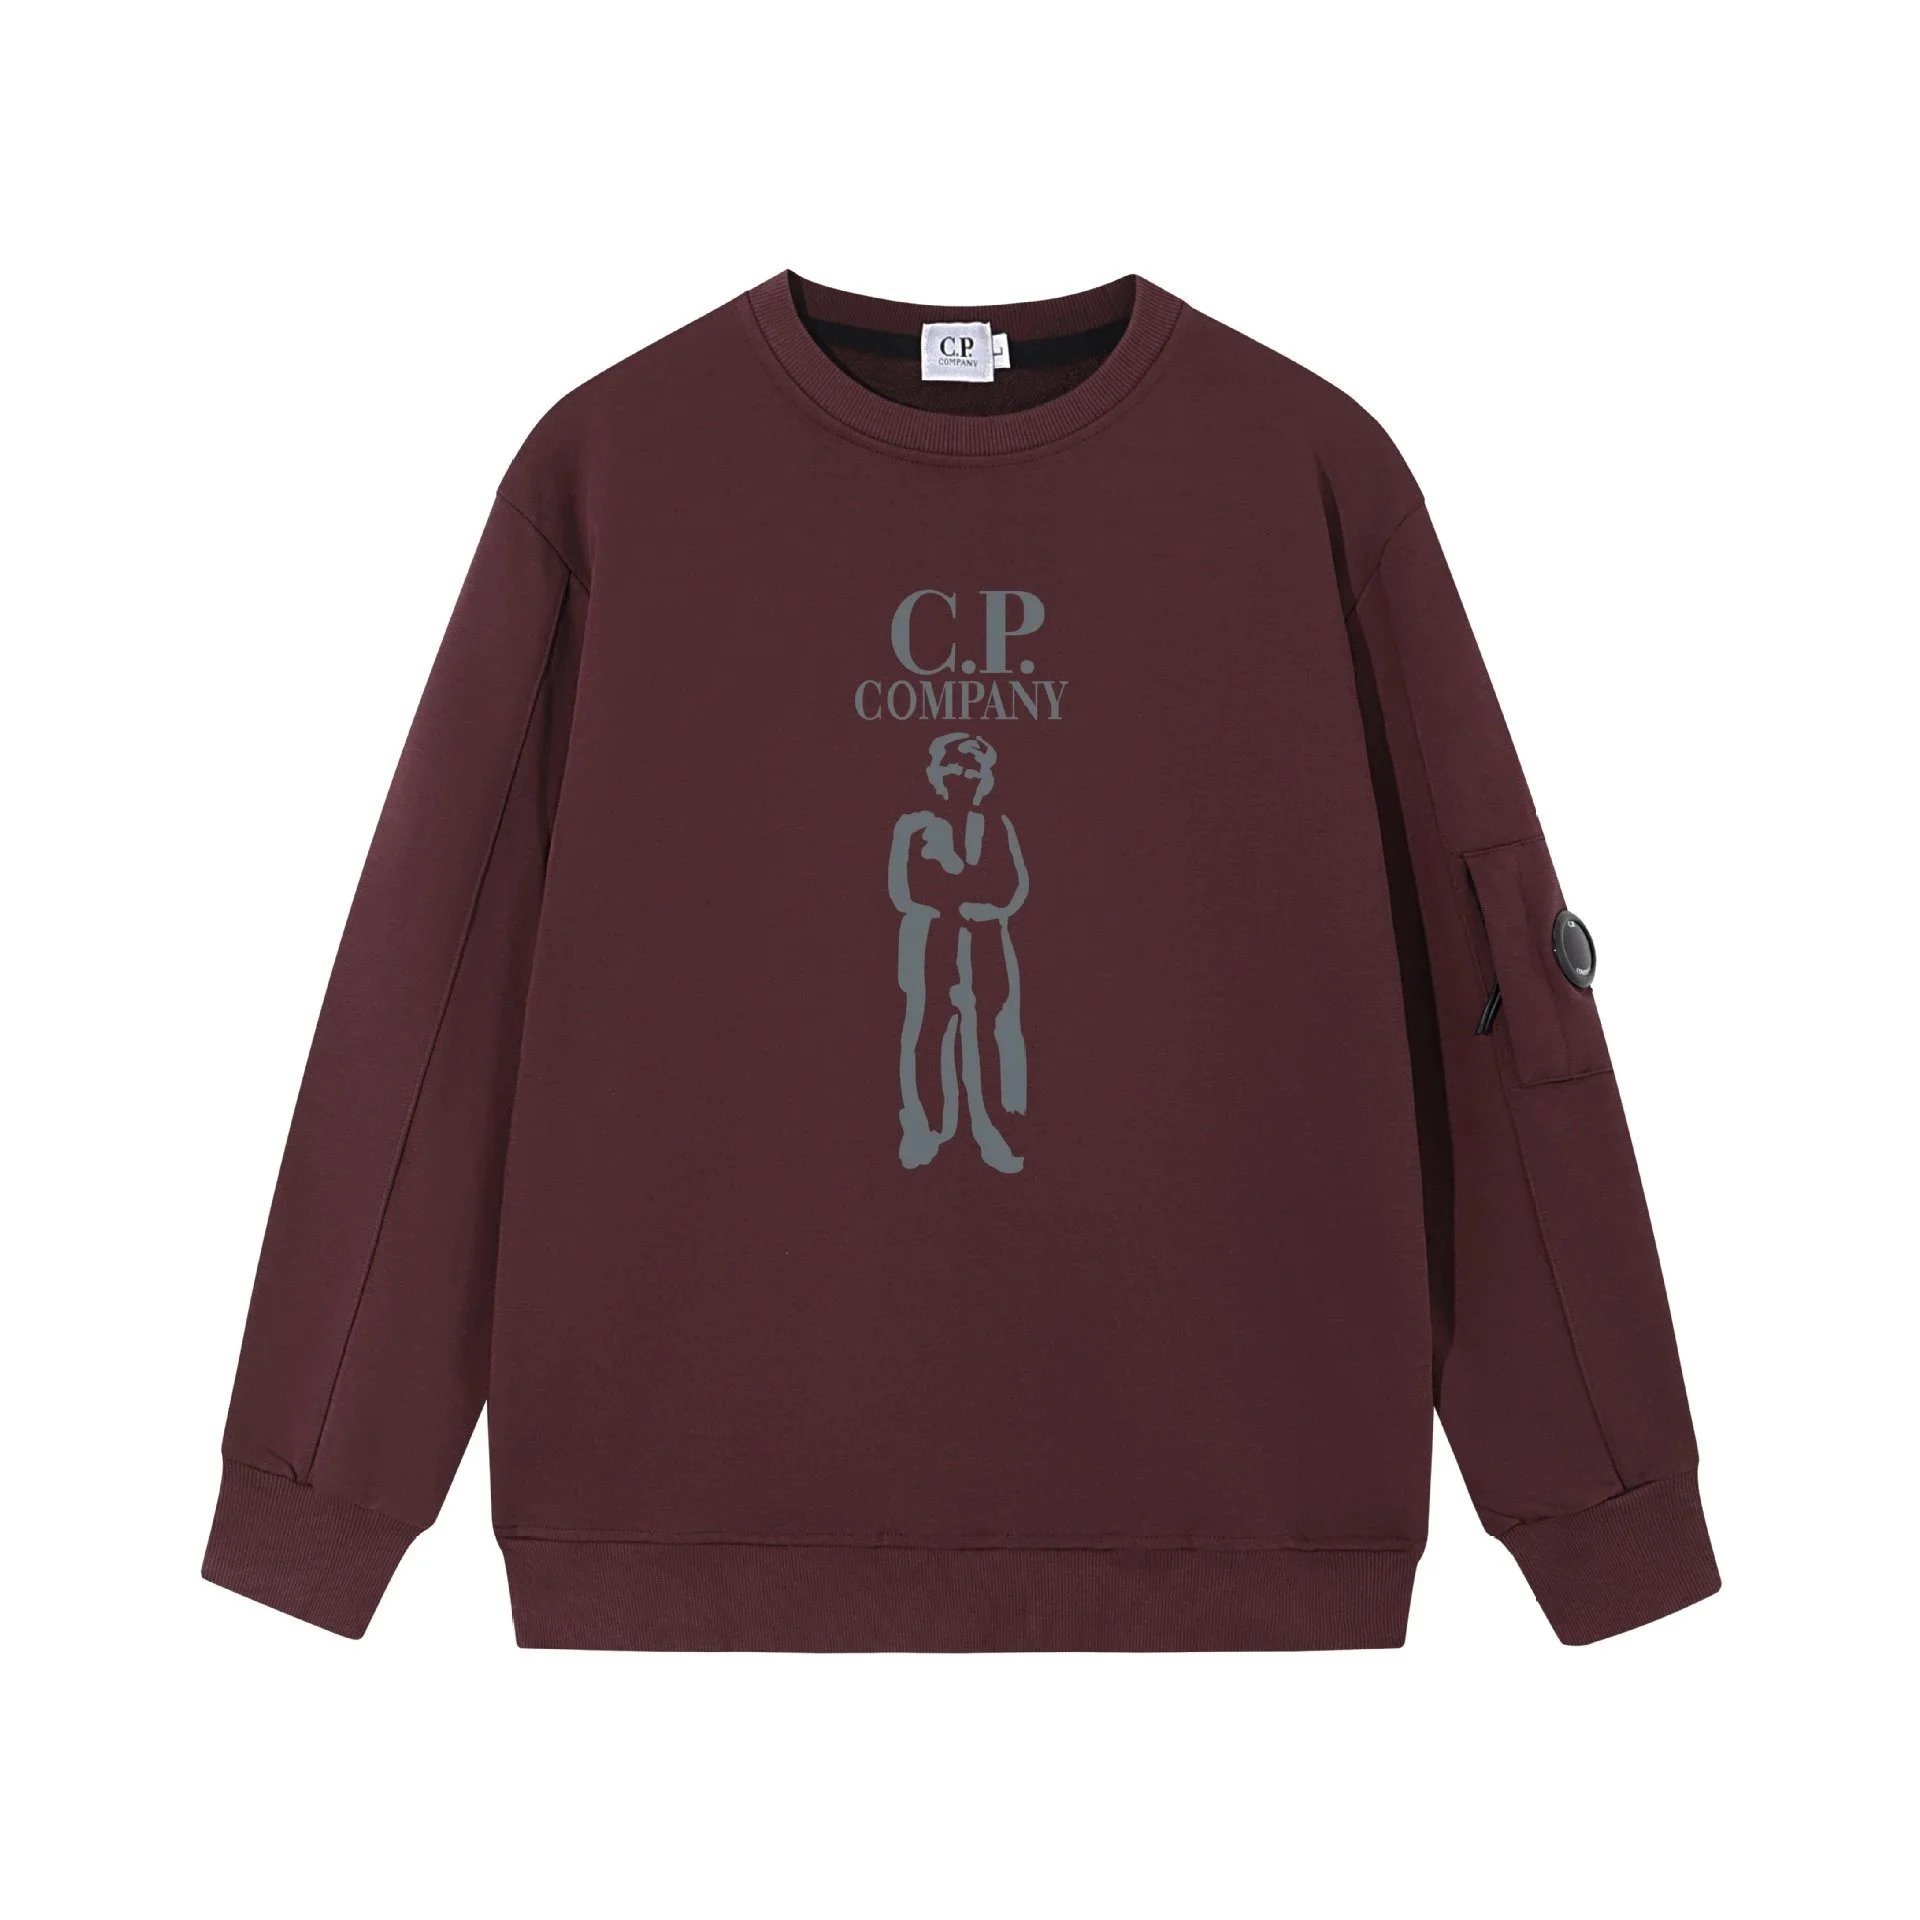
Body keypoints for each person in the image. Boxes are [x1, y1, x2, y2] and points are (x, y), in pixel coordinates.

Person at [889, 732, 1029, 1173]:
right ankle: (926, 1130)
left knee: (991, 1033)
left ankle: (996, 1130)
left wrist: (952, 873)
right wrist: (966, 889)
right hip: (933, 946)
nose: (962, 777)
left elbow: (1009, 889)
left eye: (972, 770)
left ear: (985, 778)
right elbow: (909, 892)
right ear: (935, 774)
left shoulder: (997, 825)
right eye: (952, 768)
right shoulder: (914, 826)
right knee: (931, 1031)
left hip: (987, 948)